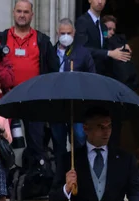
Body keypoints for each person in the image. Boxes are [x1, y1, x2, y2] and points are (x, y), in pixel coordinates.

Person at [0, 0, 59, 169]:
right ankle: (8, 183)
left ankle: (34, 180)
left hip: (35, 99)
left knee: (36, 142)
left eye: (26, 12)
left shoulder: (42, 40)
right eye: (19, 11)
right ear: (13, 12)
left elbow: (53, 70)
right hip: (7, 98)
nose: (22, 15)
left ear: (32, 15)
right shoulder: (2, 37)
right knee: (4, 141)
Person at [75, 0, 131, 147]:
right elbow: (83, 49)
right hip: (86, 79)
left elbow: (107, 42)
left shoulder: (100, 24)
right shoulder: (82, 22)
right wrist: (109, 53)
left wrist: (123, 45)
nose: (100, 1)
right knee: (85, 127)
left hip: (99, 80)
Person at [50, 18, 95, 161]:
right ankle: (60, 177)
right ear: (57, 33)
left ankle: (80, 172)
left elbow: (91, 77)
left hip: (77, 104)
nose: (65, 36)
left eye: (68, 33)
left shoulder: (83, 53)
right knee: (58, 141)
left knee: (80, 137)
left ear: (74, 33)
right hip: (56, 104)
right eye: (62, 33)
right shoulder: (50, 52)